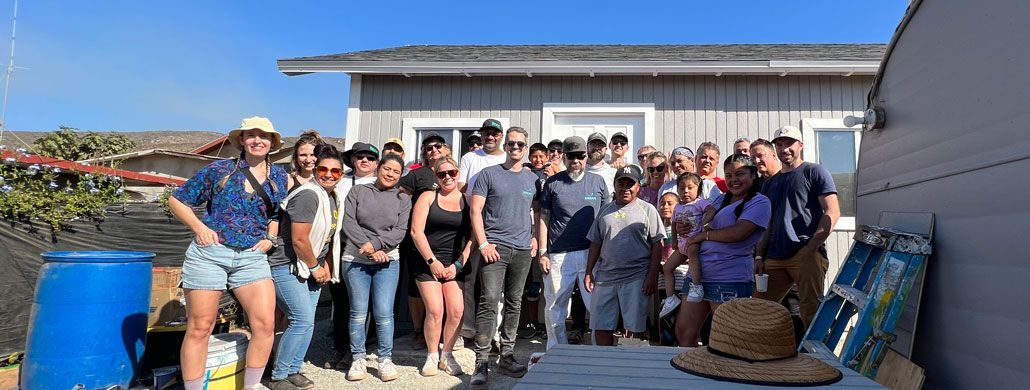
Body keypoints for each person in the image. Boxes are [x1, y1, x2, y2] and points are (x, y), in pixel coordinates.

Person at [167, 116, 287, 390]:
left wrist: (271, 238)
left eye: (264, 136)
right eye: (252, 135)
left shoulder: (280, 176)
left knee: (265, 325)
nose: (258, 140)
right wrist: (198, 227)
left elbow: (276, 213)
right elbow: (177, 199)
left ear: (272, 142)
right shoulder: (219, 170)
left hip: (251, 257)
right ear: (242, 140)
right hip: (211, 253)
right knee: (201, 327)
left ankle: (252, 386)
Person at [267, 144, 343, 390]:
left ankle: (293, 369)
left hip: (311, 265)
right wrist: (315, 267)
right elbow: (300, 239)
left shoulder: (331, 196)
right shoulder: (309, 195)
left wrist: (326, 263)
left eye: (336, 171)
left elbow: (327, 238)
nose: (329, 174)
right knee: (300, 319)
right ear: (315, 169)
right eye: (324, 169)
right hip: (288, 265)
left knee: (307, 321)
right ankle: (278, 376)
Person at [675, 154, 771, 347]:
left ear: (753, 175)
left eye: (740, 174)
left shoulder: (760, 202)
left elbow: (739, 232)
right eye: (728, 175)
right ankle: (694, 373)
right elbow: (698, 224)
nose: (733, 179)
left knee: (727, 338)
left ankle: (727, 376)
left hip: (729, 277)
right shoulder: (719, 200)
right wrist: (682, 227)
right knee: (684, 331)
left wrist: (703, 236)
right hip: (698, 275)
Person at [468, 127, 538, 389]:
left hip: (522, 250)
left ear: (526, 147)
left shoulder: (533, 180)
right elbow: (475, 212)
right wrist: (483, 243)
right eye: (511, 144)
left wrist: (535, 238)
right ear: (505, 145)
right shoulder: (488, 174)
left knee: (515, 301)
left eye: (520, 144)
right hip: (494, 249)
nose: (515, 148)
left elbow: (538, 211)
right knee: (488, 301)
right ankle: (482, 361)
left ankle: (507, 355)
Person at [754, 125, 840, 327]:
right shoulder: (769, 184)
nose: (784, 149)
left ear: (800, 145)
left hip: (806, 253)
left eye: (789, 143)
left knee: (811, 311)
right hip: (774, 257)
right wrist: (759, 256)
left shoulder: (814, 171)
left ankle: (816, 358)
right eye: (780, 144)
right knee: (759, 309)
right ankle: (762, 354)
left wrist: (811, 248)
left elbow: (833, 212)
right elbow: (766, 224)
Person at [341, 154, 411, 382]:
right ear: (379, 168)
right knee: (358, 313)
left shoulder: (403, 198)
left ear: (400, 176)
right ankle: (358, 358)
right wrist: (368, 247)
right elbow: (349, 222)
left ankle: (384, 359)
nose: (390, 174)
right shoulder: (358, 192)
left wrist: (377, 245)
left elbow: (400, 231)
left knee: (383, 313)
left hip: (388, 261)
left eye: (396, 171)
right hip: (356, 259)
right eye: (387, 169)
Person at [536, 136, 610, 350]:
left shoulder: (598, 182)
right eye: (571, 156)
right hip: (558, 255)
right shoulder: (552, 183)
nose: (576, 160)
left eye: (580, 155)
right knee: (555, 306)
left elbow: (606, 219)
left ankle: (600, 350)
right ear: (564, 157)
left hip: (591, 254)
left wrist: (605, 252)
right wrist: (543, 252)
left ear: (586, 156)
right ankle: (556, 349)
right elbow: (543, 218)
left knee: (596, 305)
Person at [584, 165, 665, 346]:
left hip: (636, 277)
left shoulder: (648, 209)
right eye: (621, 183)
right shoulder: (604, 211)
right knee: (601, 326)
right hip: (606, 277)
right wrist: (589, 271)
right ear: (614, 185)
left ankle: (631, 365)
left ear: (638, 187)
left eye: (630, 184)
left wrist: (652, 276)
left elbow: (657, 244)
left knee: (634, 327)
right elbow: (595, 242)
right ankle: (605, 365)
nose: (625, 188)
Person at [409, 156, 471, 377]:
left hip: (455, 264)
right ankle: (431, 355)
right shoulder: (428, 196)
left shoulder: (467, 200)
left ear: (457, 173)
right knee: (435, 310)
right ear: (436, 176)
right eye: (442, 174)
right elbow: (416, 231)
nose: (447, 177)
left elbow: (473, 237)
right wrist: (432, 261)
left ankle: (447, 355)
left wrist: (458, 263)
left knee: (456, 310)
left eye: (451, 173)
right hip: (427, 261)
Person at [327, 141, 379, 369]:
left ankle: (356, 349)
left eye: (370, 157)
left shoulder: (381, 183)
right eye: (360, 156)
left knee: (362, 302)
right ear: (352, 160)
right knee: (340, 300)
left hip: (368, 248)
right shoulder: (342, 181)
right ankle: (340, 346)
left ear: (377, 162)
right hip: (341, 246)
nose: (364, 160)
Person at [398, 132, 451, 352]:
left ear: (446, 149)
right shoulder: (417, 175)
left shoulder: (453, 172)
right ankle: (419, 331)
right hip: (419, 241)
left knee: (448, 287)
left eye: (438, 146)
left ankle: (444, 333)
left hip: (448, 240)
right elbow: (398, 196)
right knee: (415, 288)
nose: (434, 150)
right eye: (428, 148)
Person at [457, 119, 506, 343]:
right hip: (470, 224)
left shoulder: (507, 158)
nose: (490, 136)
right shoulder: (470, 158)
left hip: (498, 227)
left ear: (501, 136)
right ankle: (467, 328)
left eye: (494, 133)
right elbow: (460, 188)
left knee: (497, 284)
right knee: (468, 278)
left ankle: (494, 333)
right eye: (486, 132)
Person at [658, 173, 716, 318]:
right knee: (667, 268)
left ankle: (696, 286)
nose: (686, 191)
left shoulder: (700, 203)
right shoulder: (677, 207)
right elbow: (674, 223)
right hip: (682, 245)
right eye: (682, 188)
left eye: (690, 188)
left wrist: (705, 222)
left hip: (694, 241)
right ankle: (671, 298)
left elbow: (712, 210)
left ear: (698, 189)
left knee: (693, 255)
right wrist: (675, 241)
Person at [517, 142, 551, 339]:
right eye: (534, 156)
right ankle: (529, 322)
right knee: (528, 283)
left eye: (541, 156)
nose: (538, 160)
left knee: (541, 281)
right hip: (524, 229)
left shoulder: (550, 175)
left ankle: (543, 323)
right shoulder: (525, 174)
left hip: (543, 230)